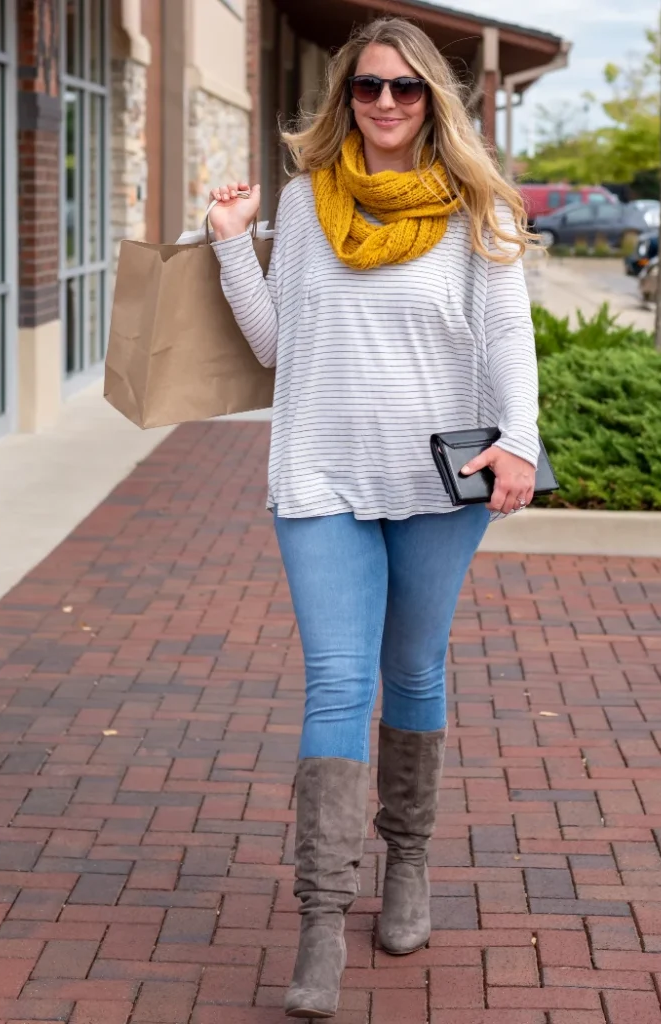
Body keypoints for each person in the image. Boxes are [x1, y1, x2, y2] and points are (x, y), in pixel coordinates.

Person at [209, 16, 539, 1020]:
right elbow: (276, 345)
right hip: (320, 473)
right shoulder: (310, 204)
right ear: (344, 97)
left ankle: (408, 868)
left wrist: (520, 439)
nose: (385, 104)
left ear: (433, 99)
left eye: (404, 89)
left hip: (441, 479)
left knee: (413, 672)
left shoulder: (480, 207)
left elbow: (507, 334)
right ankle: (320, 919)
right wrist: (233, 249)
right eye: (367, 88)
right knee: (338, 683)